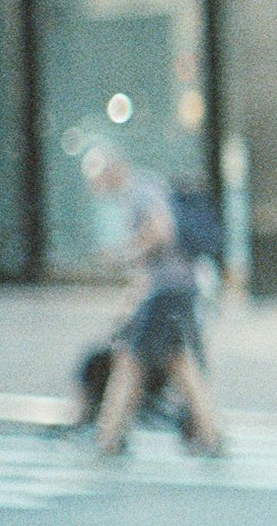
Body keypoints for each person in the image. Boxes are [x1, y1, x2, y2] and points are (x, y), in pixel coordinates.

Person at [85, 145, 226, 458]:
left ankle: (109, 437)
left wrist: (124, 256)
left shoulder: (139, 190)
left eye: (97, 177)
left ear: (113, 169)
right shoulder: (146, 187)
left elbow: (161, 231)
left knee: (130, 360)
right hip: (175, 289)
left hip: (166, 290)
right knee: (179, 363)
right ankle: (210, 432)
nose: (97, 187)